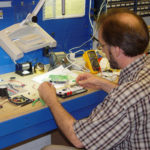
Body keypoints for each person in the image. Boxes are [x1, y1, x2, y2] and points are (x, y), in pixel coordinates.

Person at [38, 8, 150, 150]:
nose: (102, 51)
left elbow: (78, 139)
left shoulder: (122, 99)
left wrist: (51, 100)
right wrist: (102, 83)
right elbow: (135, 99)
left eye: (102, 45)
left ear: (116, 49)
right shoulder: (144, 70)